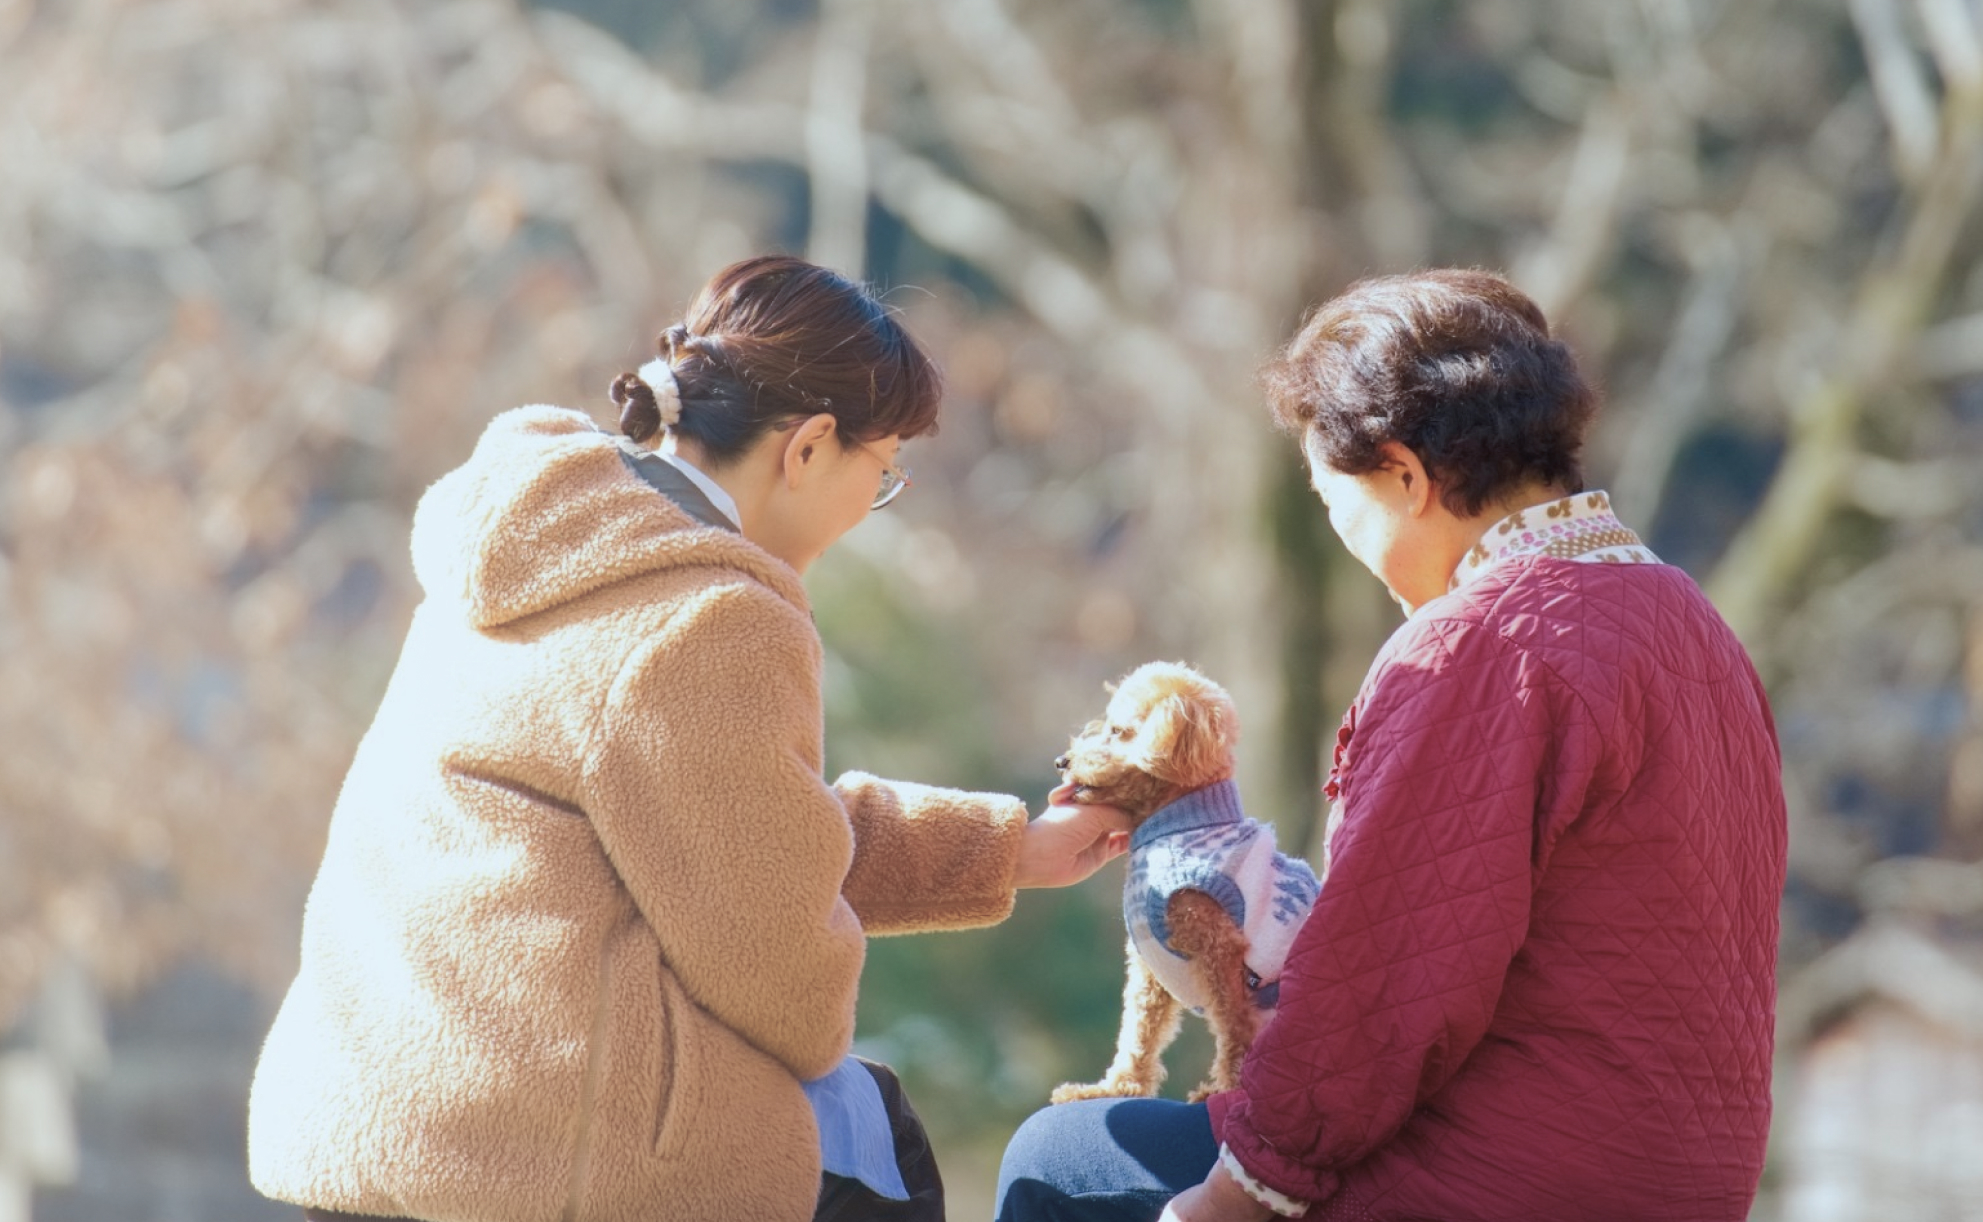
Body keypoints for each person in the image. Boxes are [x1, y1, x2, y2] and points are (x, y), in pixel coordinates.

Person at [246, 256, 1130, 1222]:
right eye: (879, 477)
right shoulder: (712, 619)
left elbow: (725, 830)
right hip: (541, 1154)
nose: (866, 511)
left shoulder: (541, 535)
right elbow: (787, 982)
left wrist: (1005, 852)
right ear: (811, 447)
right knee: (876, 1138)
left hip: (377, 1113)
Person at [996, 269, 1788, 1222]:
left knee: (1068, 1153)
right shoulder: (1688, 618)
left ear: (1406, 477)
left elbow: (1379, 988)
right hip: (1683, 1181)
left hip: (1507, 1180)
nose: (1346, 542)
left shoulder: (1476, 643)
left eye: (1339, 504)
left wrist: (1235, 1198)